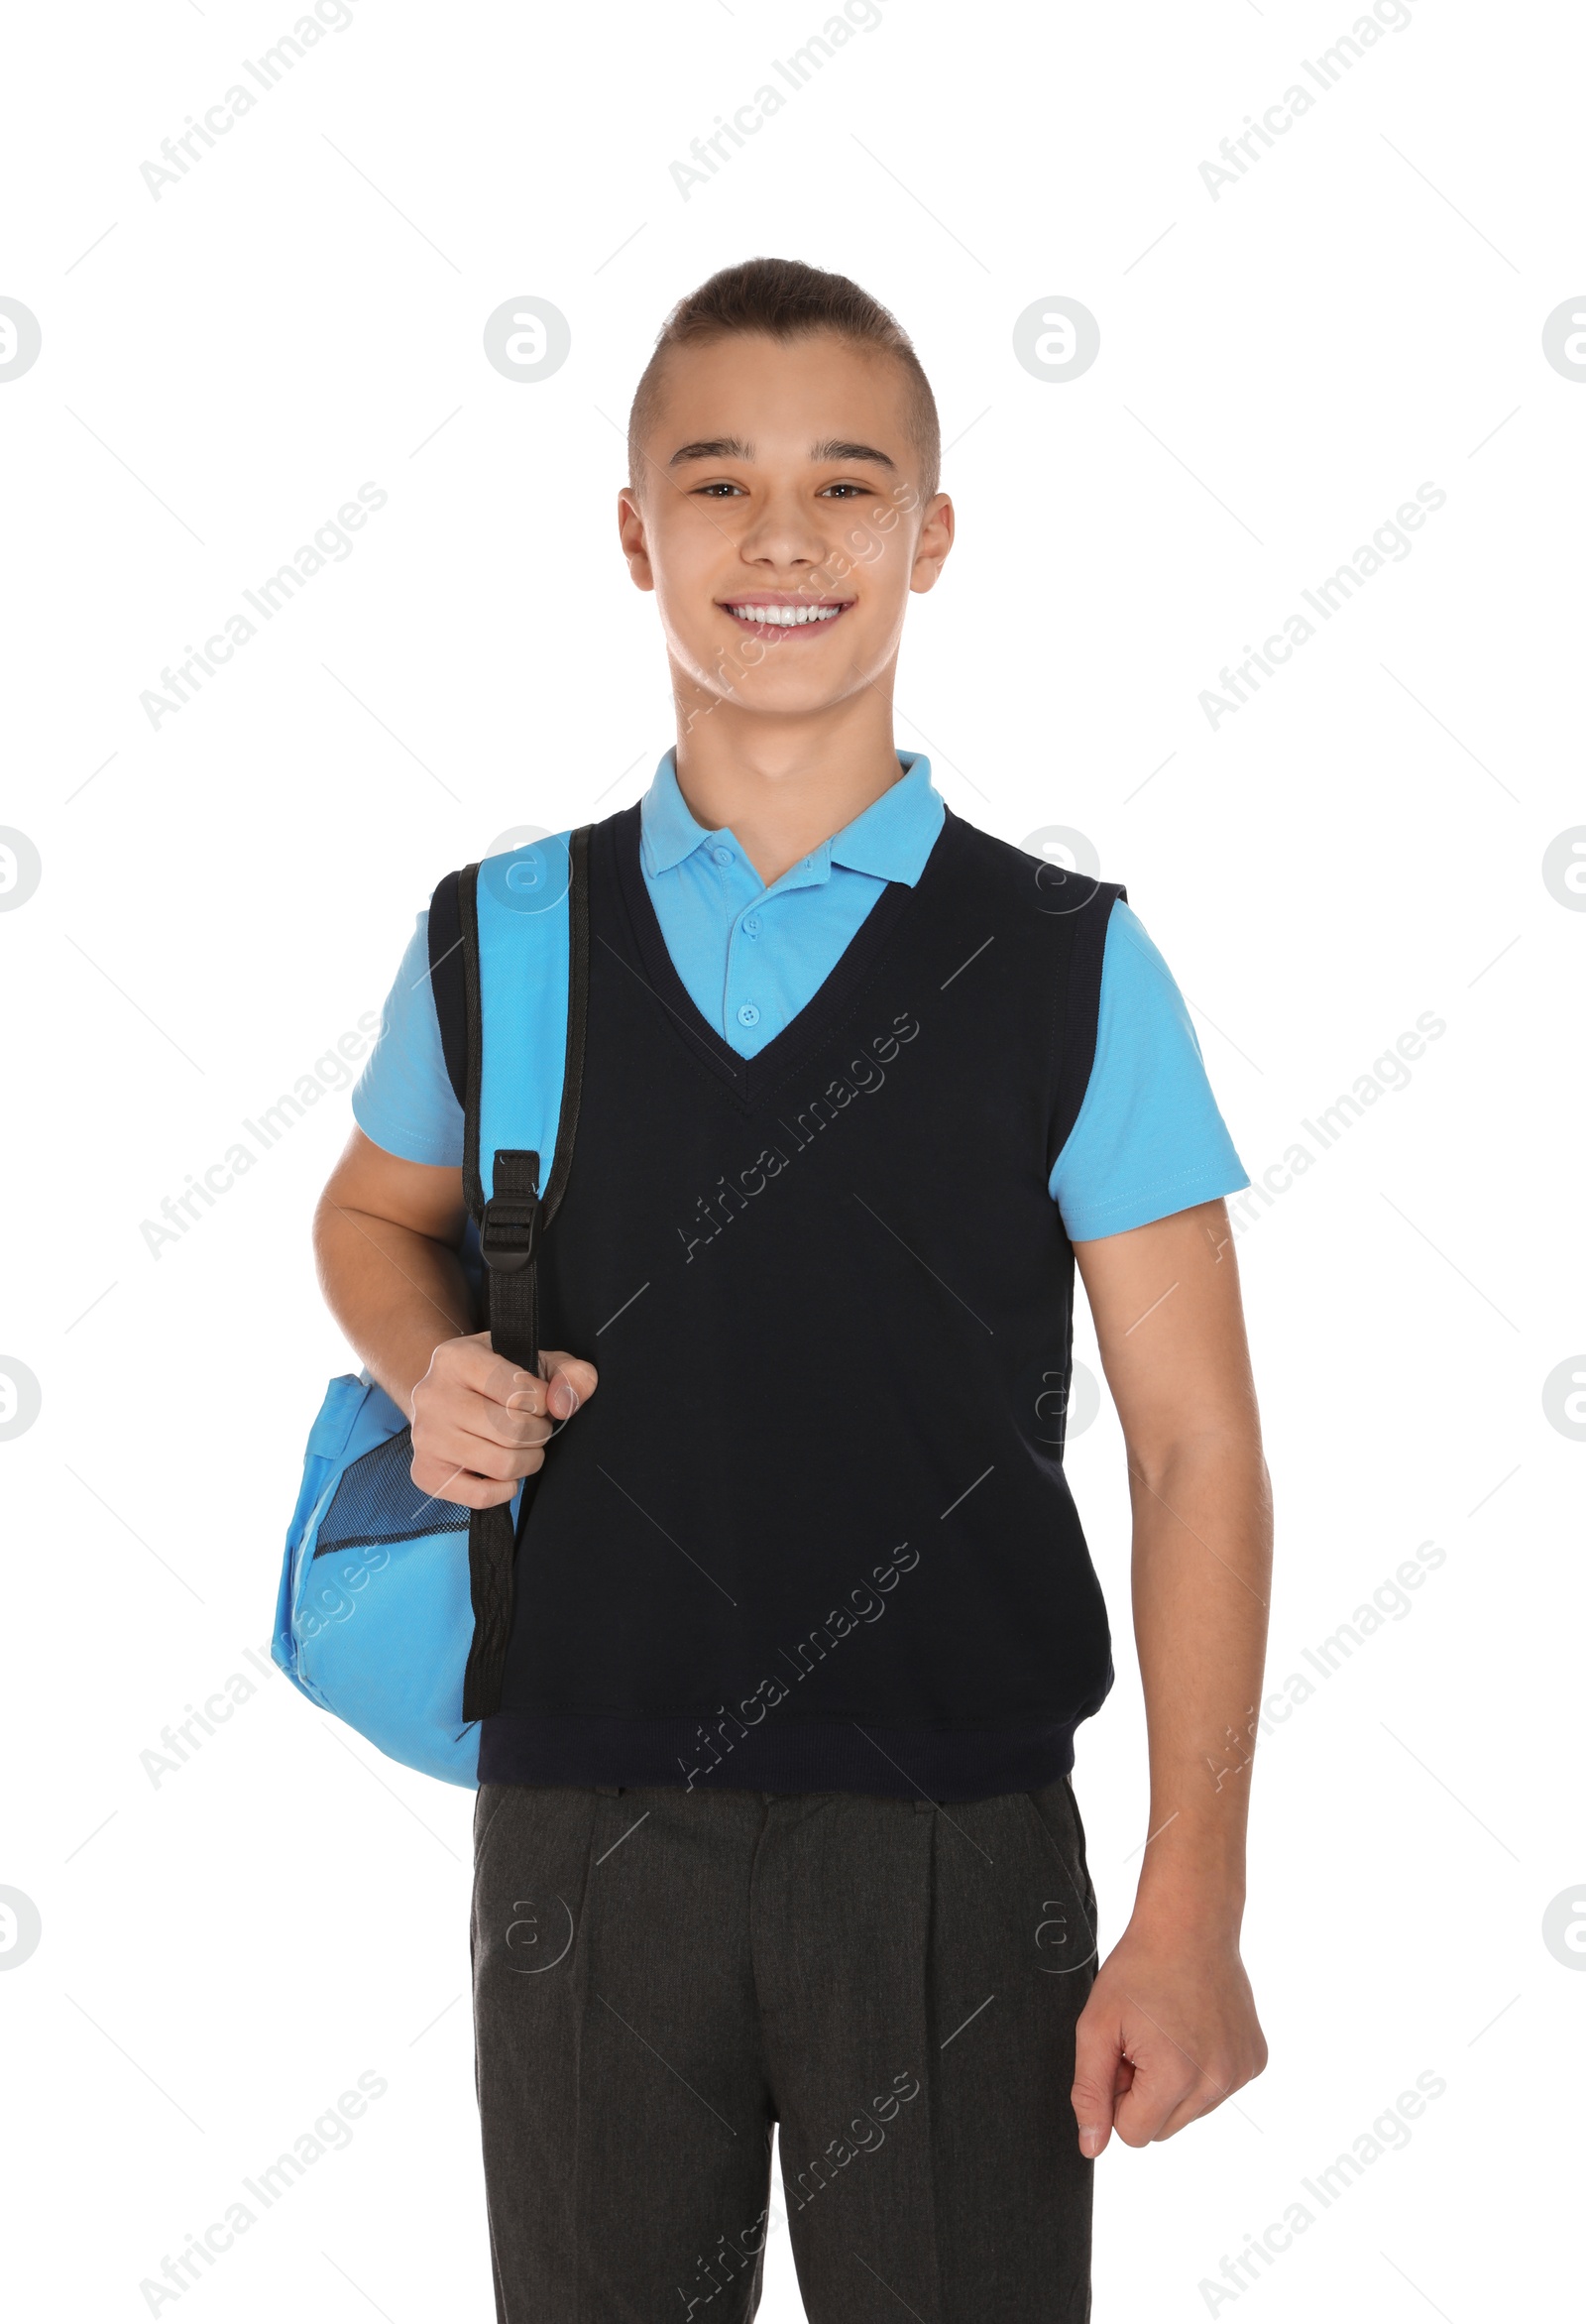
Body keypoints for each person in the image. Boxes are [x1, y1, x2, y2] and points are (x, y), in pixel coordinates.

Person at [314, 257, 1271, 2322]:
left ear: (928, 537)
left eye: (845, 487)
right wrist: (427, 1367)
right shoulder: (501, 935)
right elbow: (367, 1218)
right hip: (579, 1823)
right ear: (631, 531)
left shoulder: (1062, 965)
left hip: (950, 1846)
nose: (779, 538)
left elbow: (1194, 1446)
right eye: (715, 480)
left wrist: (1190, 1895)